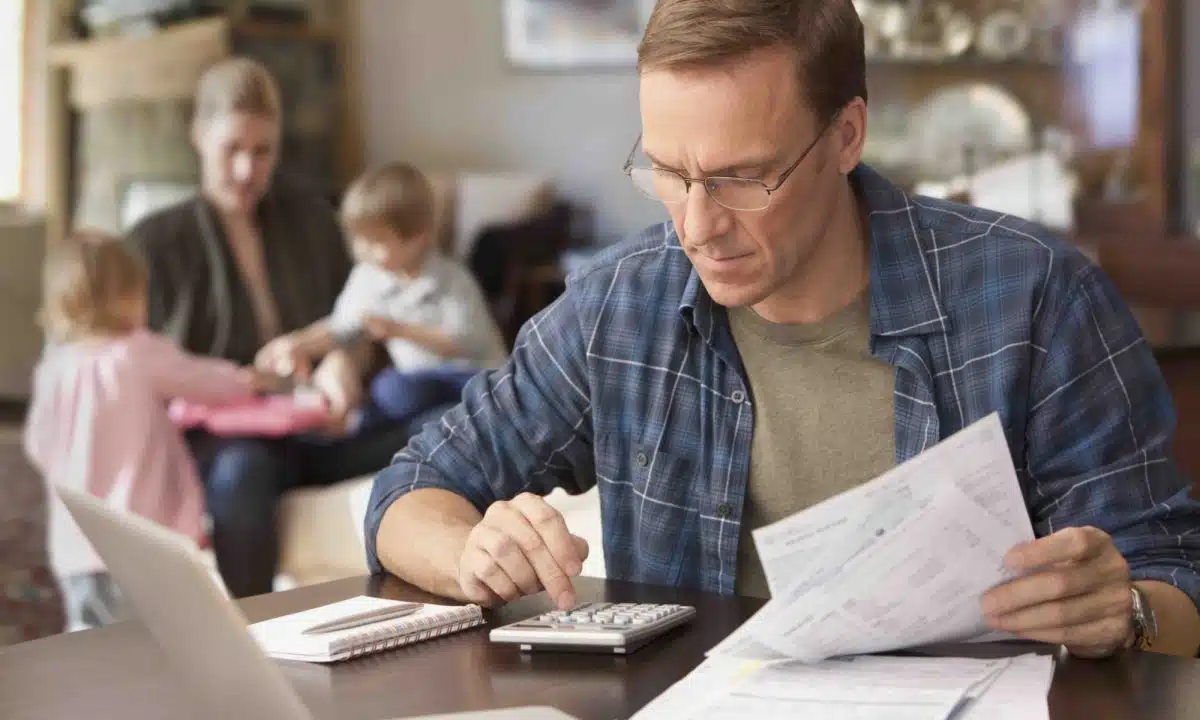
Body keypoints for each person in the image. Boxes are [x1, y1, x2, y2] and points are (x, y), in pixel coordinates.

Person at [366, 0, 1200, 659]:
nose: (696, 226)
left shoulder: (1034, 298)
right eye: (667, 171)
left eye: (741, 178)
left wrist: (1123, 610)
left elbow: (1176, 583)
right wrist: (470, 553)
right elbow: (408, 492)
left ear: (846, 135)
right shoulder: (621, 303)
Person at [127, 58, 427, 599]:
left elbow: (358, 326)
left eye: (262, 151)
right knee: (243, 473)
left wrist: (342, 363)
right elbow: (138, 372)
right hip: (228, 442)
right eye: (232, 149)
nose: (247, 169)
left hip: (320, 428)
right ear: (198, 137)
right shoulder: (154, 245)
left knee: (448, 418)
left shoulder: (313, 221)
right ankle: (255, 637)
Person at [24, 232, 265, 629]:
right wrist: (248, 380)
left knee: (91, 648)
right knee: (155, 644)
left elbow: (37, 443)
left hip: (76, 548)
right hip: (142, 542)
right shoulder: (137, 351)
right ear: (127, 296)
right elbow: (204, 381)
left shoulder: (55, 367)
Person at [256, 162, 507, 431]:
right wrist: (298, 343)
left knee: (395, 389)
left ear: (417, 237)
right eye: (358, 240)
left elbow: (465, 341)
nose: (363, 251)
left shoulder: (452, 279)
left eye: (376, 242)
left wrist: (398, 330)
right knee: (382, 401)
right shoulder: (368, 277)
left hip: (472, 376)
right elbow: (342, 328)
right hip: (421, 383)